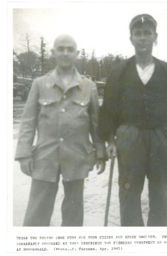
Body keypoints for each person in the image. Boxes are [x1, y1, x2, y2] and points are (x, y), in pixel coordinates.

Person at [100, 14, 167, 226]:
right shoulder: (118, 71)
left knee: (160, 195)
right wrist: (110, 141)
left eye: (148, 33)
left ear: (156, 37)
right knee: (128, 193)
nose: (143, 38)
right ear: (131, 39)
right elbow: (108, 110)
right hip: (130, 137)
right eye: (138, 34)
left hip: (162, 137)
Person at [15, 34, 105, 226]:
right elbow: (28, 122)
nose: (65, 53)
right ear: (53, 52)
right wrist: (24, 154)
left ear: (77, 54)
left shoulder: (88, 87)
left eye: (70, 49)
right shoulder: (39, 84)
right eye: (61, 49)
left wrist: (100, 152)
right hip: (45, 156)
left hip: (77, 155)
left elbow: (96, 124)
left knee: (73, 213)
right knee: (36, 213)